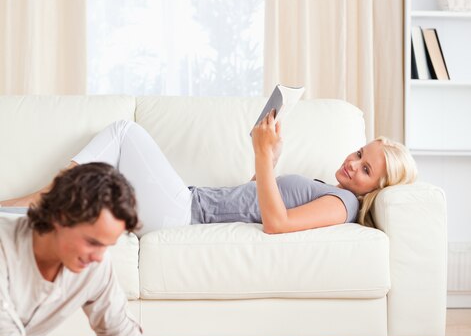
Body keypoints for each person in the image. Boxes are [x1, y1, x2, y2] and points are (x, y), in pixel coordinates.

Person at [0, 163, 234, 336]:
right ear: (60, 216)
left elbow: (121, 335)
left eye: (106, 246)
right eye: (92, 242)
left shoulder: (91, 265)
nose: (98, 257)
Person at [1, 111, 417, 235]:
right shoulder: (332, 187)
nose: (352, 163)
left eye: (364, 169)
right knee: (82, 204)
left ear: (375, 189)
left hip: (188, 214)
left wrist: (259, 154)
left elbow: (277, 223)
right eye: (360, 153)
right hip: (189, 204)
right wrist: (270, 161)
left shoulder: (343, 204)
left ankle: (41, 195)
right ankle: (14, 212)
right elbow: (255, 201)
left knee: (124, 132)